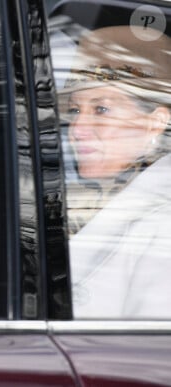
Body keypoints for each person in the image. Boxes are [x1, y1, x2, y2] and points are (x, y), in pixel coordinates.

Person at [59, 26, 171, 318]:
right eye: (74, 111)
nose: (77, 130)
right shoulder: (78, 202)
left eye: (101, 109)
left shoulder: (164, 224)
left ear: (154, 124)